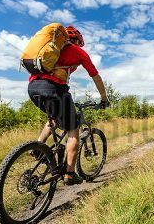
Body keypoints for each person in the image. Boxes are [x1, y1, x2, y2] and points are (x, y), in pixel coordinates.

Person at [27, 26, 109, 185]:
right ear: (77, 41)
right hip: (55, 89)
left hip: (33, 88)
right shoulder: (78, 52)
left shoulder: (48, 47)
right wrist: (104, 98)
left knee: (54, 119)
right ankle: (70, 174)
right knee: (73, 129)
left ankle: (38, 147)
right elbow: (96, 77)